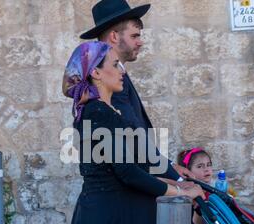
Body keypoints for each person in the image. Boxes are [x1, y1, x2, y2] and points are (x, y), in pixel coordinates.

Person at [60, 41, 206, 224]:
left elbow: (131, 166)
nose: (122, 71)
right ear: (96, 72)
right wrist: (177, 192)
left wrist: (179, 184)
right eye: (115, 65)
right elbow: (126, 173)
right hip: (111, 222)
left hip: (113, 216)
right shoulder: (98, 112)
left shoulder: (101, 111)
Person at [80, 0, 194, 185]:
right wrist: (180, 182)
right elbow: (136, 142)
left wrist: (170, 165)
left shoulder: (116, 76)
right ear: (114, 37)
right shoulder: (108, 85)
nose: (140, 42)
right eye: (134, 36)